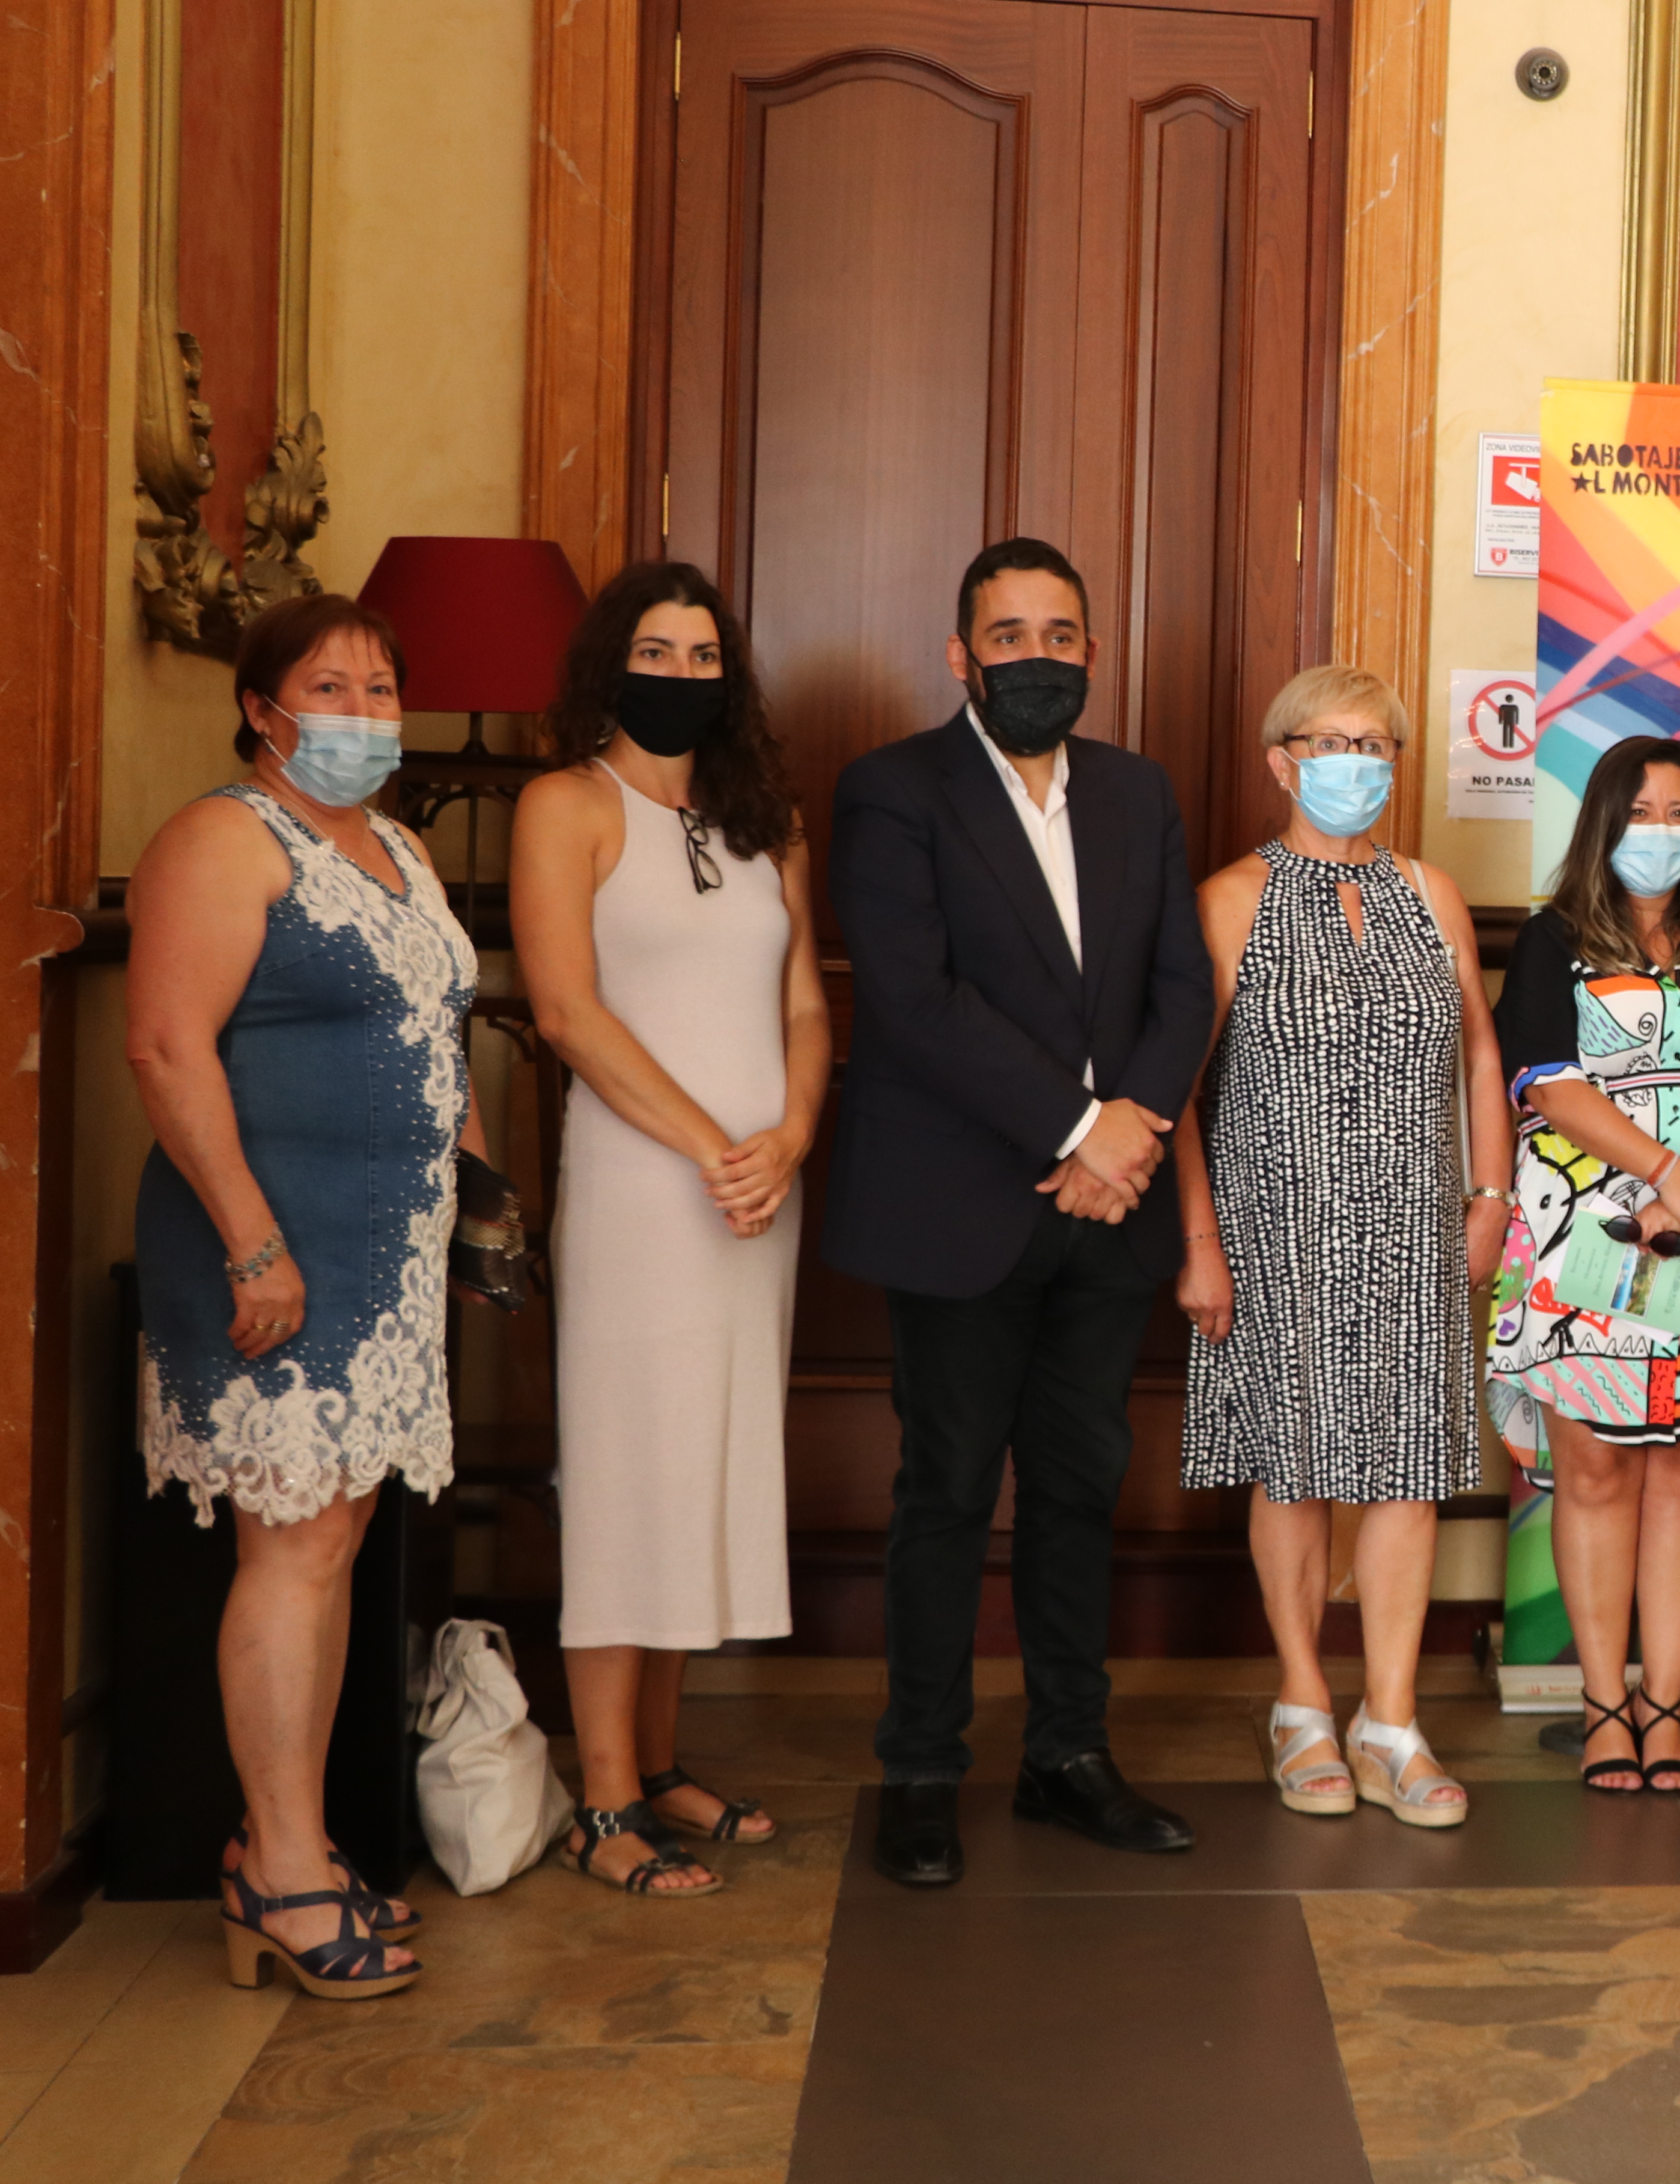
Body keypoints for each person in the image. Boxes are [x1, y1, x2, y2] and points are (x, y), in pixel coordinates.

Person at [824, 538, 1216, 1888]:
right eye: (1008, 635)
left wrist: (1135, 1130)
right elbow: (915, 996)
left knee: (1076, 1486)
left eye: (1061, 634)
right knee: (945, 1491)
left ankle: (1068, 1753)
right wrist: (1079, 1126)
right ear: (960, 653)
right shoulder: (892, 790)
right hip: (961, 1203)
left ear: (1092, 652)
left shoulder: (1137, 792)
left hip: (1108, 1213)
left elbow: (1183, 987)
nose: (1037, 656)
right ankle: (922, 1766)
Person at [130, 593, 482, 1999]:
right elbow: (165, 1047)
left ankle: (295, 1840)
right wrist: (253, 1242)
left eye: (384, 684)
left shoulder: (396, 845)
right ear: (264, 706)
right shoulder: (224, 836)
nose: (364, 709)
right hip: (268, 1247)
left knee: (331, 1543)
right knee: (288, 1546)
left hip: (384, 1256)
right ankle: (276, 1868)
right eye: (330, 685)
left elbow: (422, 1030)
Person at [512, 563, 829, 1896]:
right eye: (658, 649)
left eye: (705, 655)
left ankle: (656, 1760)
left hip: (762, 1192)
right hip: (652, 1190)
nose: (683, 674)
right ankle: (598, 1801)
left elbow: (807, 1002)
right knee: (629, 1463)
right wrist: (715, 1148)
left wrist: (790, 1138)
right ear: (610, 662)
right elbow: (570, 1013)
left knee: (705, 1459)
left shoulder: (769, 820)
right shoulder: (564, 804)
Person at [1178, 666, 1511, 1829]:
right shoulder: (1231, 899)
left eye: (1377, 742)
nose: (1356, 761)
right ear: (1282, 761)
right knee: (1296, 1465)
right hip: (1275, 1228)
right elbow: (1179, 1089)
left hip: (1418, 1222)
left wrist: (1492, 1195)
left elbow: (1479, 1055)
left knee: (1413, 1468)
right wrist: (1199, 1242)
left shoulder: (1434, 893)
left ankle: (1393, 1718)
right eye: (1330, 741)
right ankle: (1303, 1703)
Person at [1487, 736, 1680, 1793]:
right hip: (1584, 1237)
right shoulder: (1551, 938)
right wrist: (1666, 1167)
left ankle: (1667, 1708)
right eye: (1641, 813)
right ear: (1603, 827)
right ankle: (1601, 1705)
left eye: (1678, 813)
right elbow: (1546, 1080)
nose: (1661, 832)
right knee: (1599, 1468)